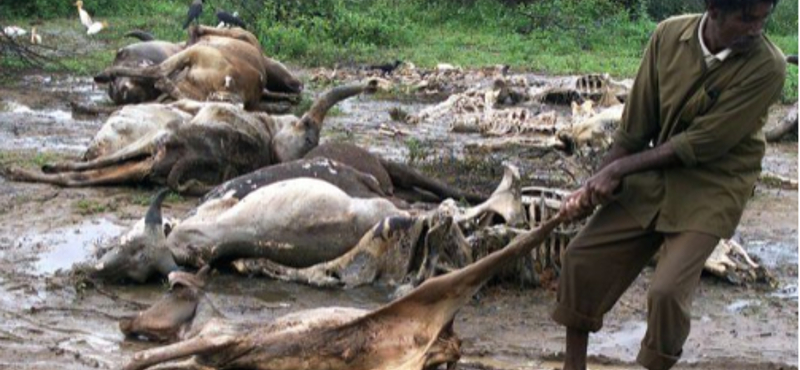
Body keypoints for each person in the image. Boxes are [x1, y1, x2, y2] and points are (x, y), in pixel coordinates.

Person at [552, 1, 787, 369]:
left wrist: (619, 172)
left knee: (667, 293)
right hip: (655, 174)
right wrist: (592, 186)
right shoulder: (668, 36)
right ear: (713, 8)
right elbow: (634, 131)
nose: (756, 28)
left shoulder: (768, 67)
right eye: (746, 18)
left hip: (715, 184)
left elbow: (701, 143)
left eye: (762, 18)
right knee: (582, 259)